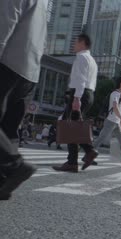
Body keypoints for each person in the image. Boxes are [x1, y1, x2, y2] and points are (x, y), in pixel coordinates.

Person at [0, 0, 48, 200]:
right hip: (29, 69)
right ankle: (3, 180)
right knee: (8, 126)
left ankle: (14, 165)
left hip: (9, 60)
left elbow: (6, 17)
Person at [52, 34, 99, 173]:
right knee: (74, 127)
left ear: (82, 43)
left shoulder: (81, 57)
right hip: (89, 94)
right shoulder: (92, 60)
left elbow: (80, 79)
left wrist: (76, 98)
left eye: (75, 42)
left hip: (80, 93)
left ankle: (75, 160)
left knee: (70, 127)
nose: (73, 45)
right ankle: (83, 155)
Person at [92, 76, 121, 168]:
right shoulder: (115, 94)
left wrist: (119, 120)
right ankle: (88, 155)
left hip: (115, 122)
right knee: (100, 139)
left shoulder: (120, 94)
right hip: (111, 121)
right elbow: (115, 107)